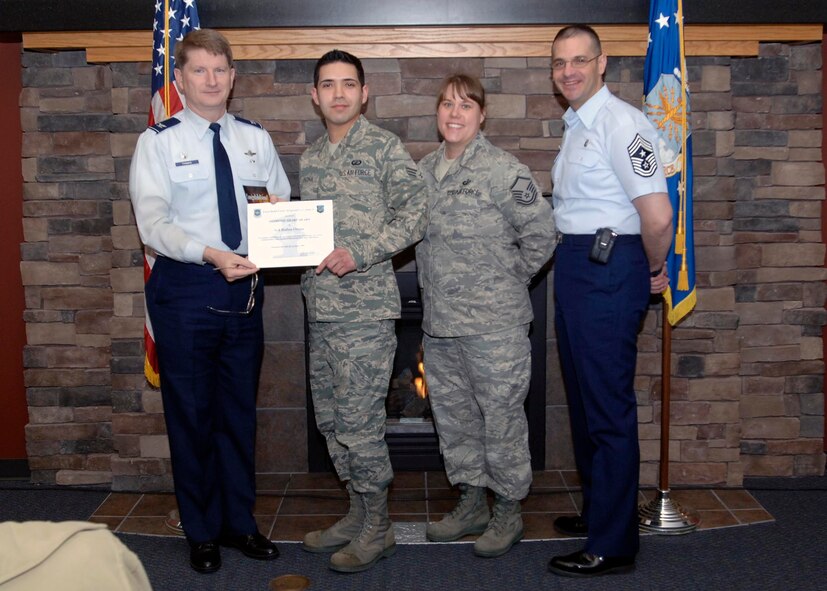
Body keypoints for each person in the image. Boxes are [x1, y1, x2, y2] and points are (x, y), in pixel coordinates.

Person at [129, 29, 290, 574]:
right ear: (179, 79)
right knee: (192, 418)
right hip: (187, 288)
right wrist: (211, 253)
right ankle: (201, 532)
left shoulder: (254, 138)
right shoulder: (159, 142)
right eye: (199, 70)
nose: (211, 80)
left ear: (232, 77)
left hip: (244, 289)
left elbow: (280, 202)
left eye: (220, 70)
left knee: (238, 415)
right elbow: (153, 225)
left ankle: (239, 524)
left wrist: (284, 239)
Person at [546, 25, 673, 577]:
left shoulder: (624, 123)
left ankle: (614, 544)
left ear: (602, 64)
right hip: (578, 265)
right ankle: (603, 513)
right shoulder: (578, 125)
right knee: (584, 403)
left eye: (579, 60)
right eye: (559, 63)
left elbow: (659, 215)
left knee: (608, 411)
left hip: (611, 266)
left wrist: (647, 268)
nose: (568, 71)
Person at [298, 49, 429, 573]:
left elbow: (416, 214)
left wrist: (363, 251)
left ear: (364, 92)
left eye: (348, 84)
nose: (338, 93)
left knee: (360, 424)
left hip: (365, 312)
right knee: (330, 420)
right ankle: (356, 512)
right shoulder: (309, 158)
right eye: (327, 85)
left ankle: (379, 525)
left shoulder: (382, 147)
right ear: (315, 95)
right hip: (321, 309)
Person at [416, 74, 556, 558]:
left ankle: (507, 511)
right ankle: (472, 501)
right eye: (447, 104)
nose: (454, 114)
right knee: (454, 421)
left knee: (500, 421)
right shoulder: (424, 172)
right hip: (441, 328)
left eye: (466, 105)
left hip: (494, 327)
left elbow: (542, 233)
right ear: (437, 113)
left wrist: (506, 279)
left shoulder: (504, 171)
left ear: (482, 115)